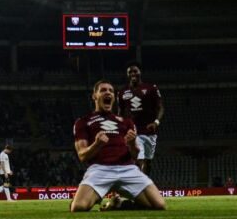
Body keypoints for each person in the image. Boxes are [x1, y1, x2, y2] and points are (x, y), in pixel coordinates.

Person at [69, 80, 166, 212]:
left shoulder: (127, 122)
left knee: (159, 205)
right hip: (100, 169)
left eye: (110, 91)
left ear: (114, 97)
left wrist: (132, 144)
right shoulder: (83, 122)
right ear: (94, 96)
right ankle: (92, 196)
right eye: (103, 90)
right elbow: (82, 155)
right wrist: (97, 145)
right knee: (78, 207)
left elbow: (135, 155)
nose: (108, 92)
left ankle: (118, 204)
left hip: (128, 169)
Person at [116, 62, 163, 175]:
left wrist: (156, 123)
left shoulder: (151, 88)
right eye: (130, 72)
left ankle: (146, 183)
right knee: (139, 158)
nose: (133, 73)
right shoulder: (122, 92)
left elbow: (160, 107)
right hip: (133, 131)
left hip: (149, 131)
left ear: (140, 72)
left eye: (135, 71)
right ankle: (138, 187)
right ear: (127, 74)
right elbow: (120, 112)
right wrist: (119, 127)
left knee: (147, 161)